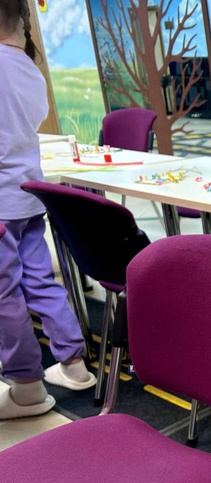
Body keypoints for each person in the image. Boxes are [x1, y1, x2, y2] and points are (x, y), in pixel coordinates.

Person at [0, 0, 96, 420]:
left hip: (2, 202)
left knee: (4, 293)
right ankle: (73, 364)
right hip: (27, 195)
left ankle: (27, 386)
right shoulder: (27, 67)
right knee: (39, 278)